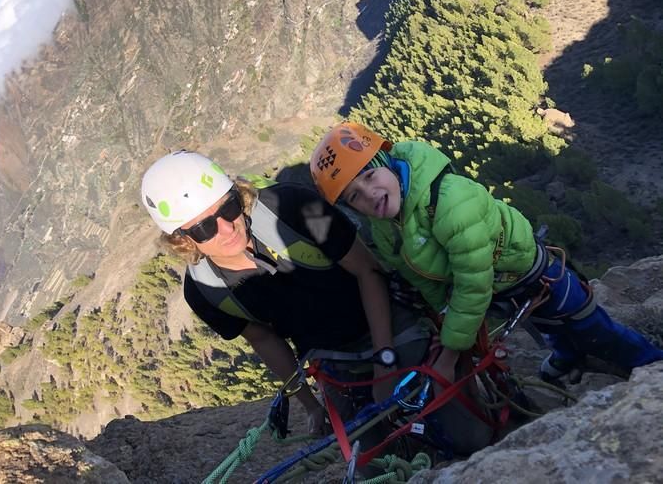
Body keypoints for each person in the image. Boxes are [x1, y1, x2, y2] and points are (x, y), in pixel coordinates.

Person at [141, 150, 486, 453]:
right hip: (332, 359)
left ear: (236, 196)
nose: (227, 228)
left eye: (229, 208)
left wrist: (385, 360)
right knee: (371, 465)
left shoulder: (296, 208)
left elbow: (368, 271)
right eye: (204, 229)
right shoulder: (204, 291)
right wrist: (309, 404)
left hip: (392, 324)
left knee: (468, 439)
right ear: (182, 239)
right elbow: (263, 339)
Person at [309, 122, 663, 384]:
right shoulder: (386, 230)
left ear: (388, 161)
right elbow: (420, 276)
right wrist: (445, 316)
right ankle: (568, 355)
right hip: (502, 288)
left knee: (586, 322)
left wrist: (450, 354)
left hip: (530, 272)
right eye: (354, 195)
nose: (369, 194)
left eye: (370, 176)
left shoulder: (450, 200)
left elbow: (473, 283)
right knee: (544, 324)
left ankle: (650, 364)